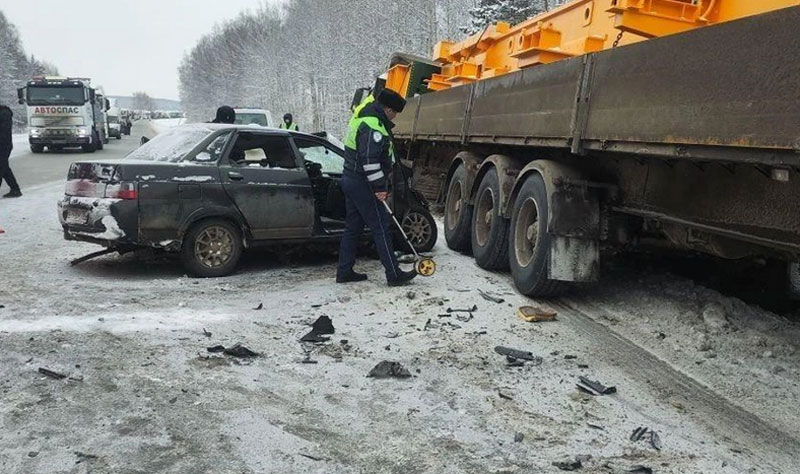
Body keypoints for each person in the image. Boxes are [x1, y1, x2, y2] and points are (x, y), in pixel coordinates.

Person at [337, 89, 416, 287]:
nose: (395, 116)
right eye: (395, 112)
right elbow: (369, 161)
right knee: (381, 227)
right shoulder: (373, 126)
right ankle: (394, 274)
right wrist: (380, 187)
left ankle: (344, 271)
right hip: (363, 183)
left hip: (351, 179)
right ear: (388, 109)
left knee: (352, 228)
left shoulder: (363, 116)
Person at [0, 104, 21, 198]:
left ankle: (15, 189)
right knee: (4, 168)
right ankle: (15, 189)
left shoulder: (4, 113)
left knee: (1, 166)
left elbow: (4, 131)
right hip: (4, 144)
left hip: (3, 145)